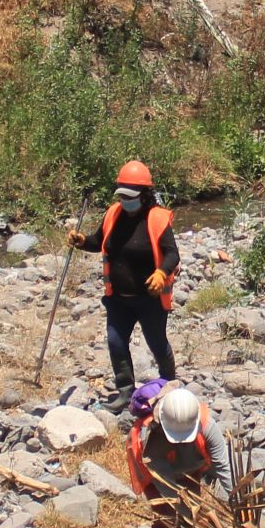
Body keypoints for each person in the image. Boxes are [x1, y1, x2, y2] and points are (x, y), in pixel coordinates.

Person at [67, 161, 182, 409]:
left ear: (144, 195)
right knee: (116, 342)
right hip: (119, 298)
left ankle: (171, 384)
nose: (125, 201)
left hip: (149, 299)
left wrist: (162, 273)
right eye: (122, 195)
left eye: (131, 197)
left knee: (157, 343)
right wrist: (82, 240)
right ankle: (125, 391)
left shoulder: (156, 219)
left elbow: (172, 254)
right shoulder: (113, 214)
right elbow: (99, 241)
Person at [127, 384, 231, 528]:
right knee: (164, 512)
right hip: (152, 469)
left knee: (193, 503)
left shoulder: (207, 424)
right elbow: (168, 490)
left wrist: (236, 506)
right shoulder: (149, 439)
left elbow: (225, 468)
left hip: (189, 463)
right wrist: (196, 521)